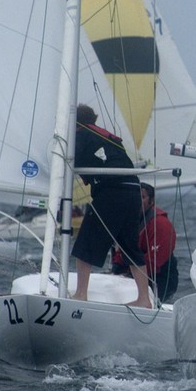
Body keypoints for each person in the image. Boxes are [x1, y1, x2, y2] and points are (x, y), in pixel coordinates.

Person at [70, 103, 153, 308]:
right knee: (129, 245)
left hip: (112, 192)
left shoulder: (80, 135)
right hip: (133, 190)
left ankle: (81, 294)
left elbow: (69, 159)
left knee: (85, 241)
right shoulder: (108, 137)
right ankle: (144, 299)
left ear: (74, 122)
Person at [111, 183, 179, 302]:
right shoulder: (129, 221)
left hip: (159, 279)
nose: (136, 201)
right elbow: (121, 253)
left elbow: (154, 262)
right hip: (131, 273)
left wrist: (128, 272)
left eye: (142, 197)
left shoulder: (161, 225)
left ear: (151, 201)